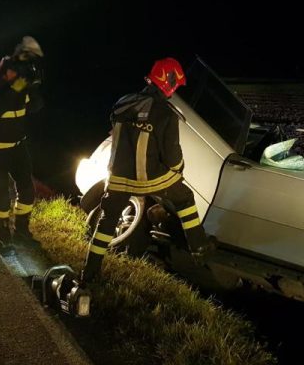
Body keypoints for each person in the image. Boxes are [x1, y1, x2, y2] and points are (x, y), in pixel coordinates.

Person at [81, 57, 216, 284]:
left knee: (106, 220)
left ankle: (89, 272)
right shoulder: (166, 113)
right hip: (152, 180)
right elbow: (172, 155)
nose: (174, 90)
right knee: (184, 198)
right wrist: (178, 171)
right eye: (175, 85)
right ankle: (199, 248)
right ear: (168, 82)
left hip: (117, 179)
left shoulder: (122, 104)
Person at [0, 36, 44, 254]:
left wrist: (33, 86)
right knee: (1, 198)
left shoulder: (18, 87)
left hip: (18, 147)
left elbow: (36, 107)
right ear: (5, 70)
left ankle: (22, 232)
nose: (17, 76)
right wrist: (17, 88)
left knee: (27, 191)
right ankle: (3, 238)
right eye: (15, 72)